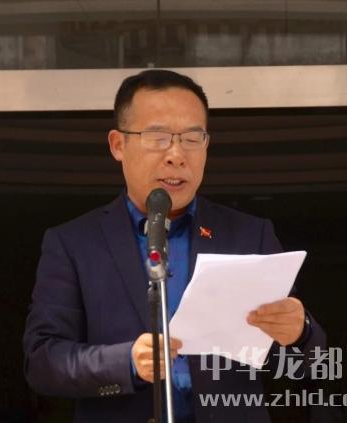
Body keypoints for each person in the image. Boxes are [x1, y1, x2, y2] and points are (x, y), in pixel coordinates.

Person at [23, 69, 326, 423]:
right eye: (158, 137)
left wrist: (300, 332)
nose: (177, 155)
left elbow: (306, 363)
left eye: (193, 138)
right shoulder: (74, 243)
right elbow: (42, 362)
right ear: (118, 145)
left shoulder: (249, 236)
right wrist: (126, 362)